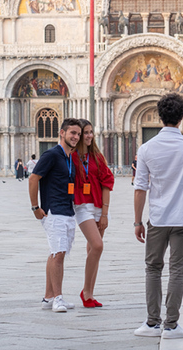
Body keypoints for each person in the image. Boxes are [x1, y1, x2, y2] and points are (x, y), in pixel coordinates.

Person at [133, 93, 183, 340]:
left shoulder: (146, 148)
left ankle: (152, 323)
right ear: (182, 117)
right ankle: (171, 325)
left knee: (153, 268)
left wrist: (138, 221)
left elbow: (140, 187)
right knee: (178, 271)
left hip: (158, 219)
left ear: (160, 117)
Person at [28, 118, 82, 313]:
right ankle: (58, 298)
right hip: (54, 211)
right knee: (58, 254)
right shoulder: (51, 154)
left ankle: (48, 297)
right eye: (72, 133)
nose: (76, 137)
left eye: (78, 134)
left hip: (67, 210)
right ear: (62, 133)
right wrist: (35, 207)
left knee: (57, 253)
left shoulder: (69, 158)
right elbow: (33, 178)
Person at [73, 119, 114, 308]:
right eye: (85, 133)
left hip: (98, 206)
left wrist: (104, 213)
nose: (89, 136)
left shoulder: (97, 157)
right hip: (82, 206)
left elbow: (107, 183)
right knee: (97, 246)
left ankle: (89, 292)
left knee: (92, 251)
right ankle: (86, 292)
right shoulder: (71, 157)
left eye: (91, 132)